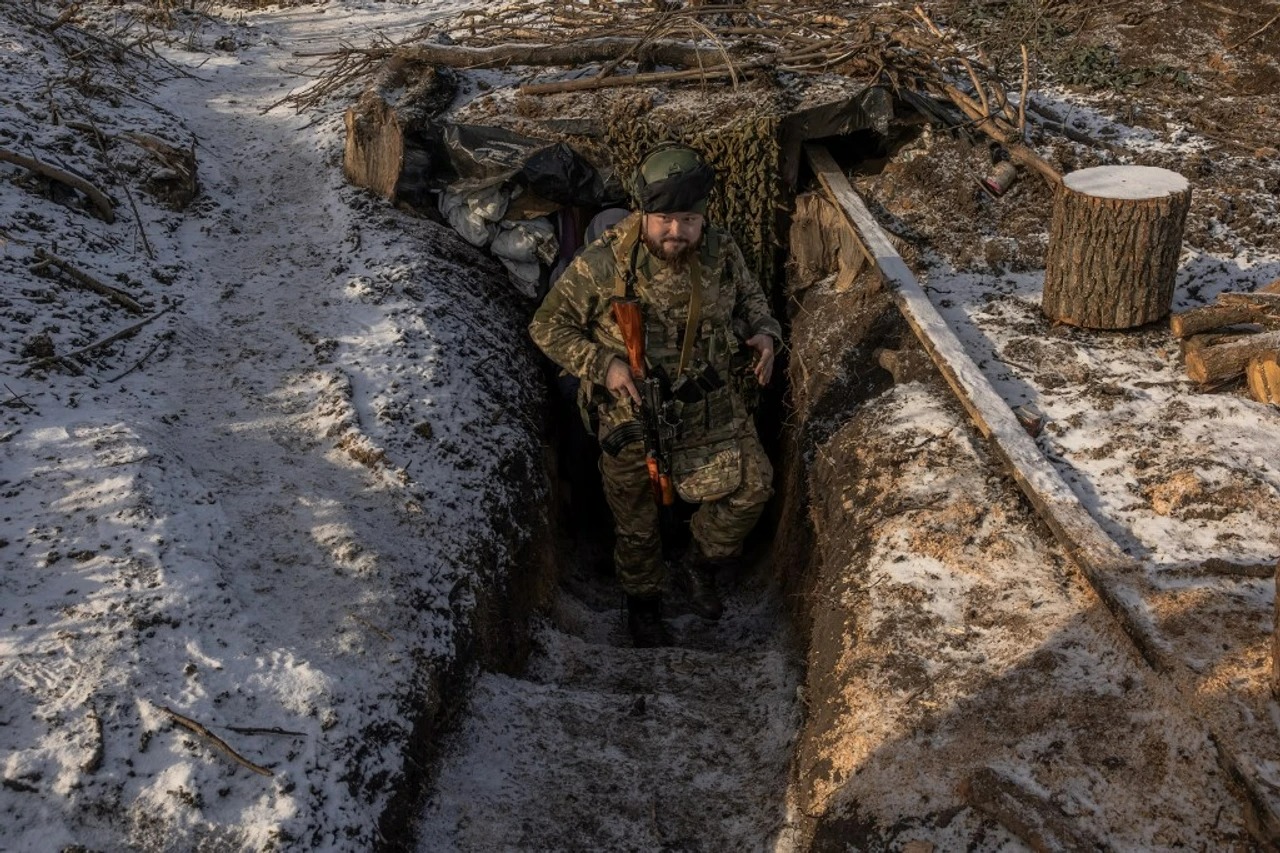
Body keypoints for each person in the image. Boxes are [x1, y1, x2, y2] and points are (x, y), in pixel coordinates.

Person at [528, 144, 782, 647]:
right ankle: (644, 606)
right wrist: (605, 365)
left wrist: (765, 333)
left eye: (688, 219)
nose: (676, 232)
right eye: (665, 219)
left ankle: (699, 564)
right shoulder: (605, 263)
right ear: (644, 213)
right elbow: (546, 325)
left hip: (709, 400)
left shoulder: (719, 249)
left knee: (755, 485)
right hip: (633, 408)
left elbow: (753, 298)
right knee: (637, 520)